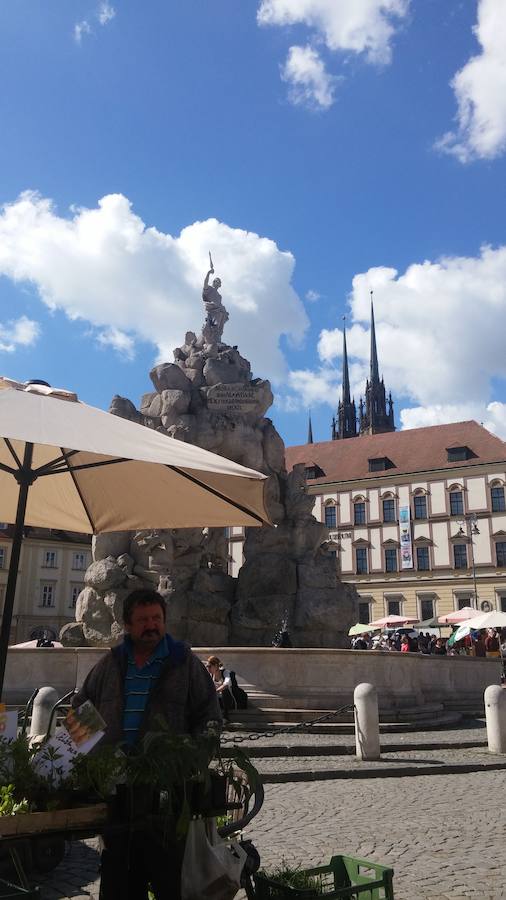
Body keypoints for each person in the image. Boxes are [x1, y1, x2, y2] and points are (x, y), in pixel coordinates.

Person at [73, 588, 221, 900]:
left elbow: (209, 716)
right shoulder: (111, 664)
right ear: (127, 625)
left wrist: (190, 762)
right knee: (118, 883)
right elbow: (78, 712)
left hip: (166, 795)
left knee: (170, 882)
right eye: (142, 620)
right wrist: (92, 763)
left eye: (156, 618)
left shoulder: (184, 663)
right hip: (117, 794)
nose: (151, 625)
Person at [206, 655, 234, 721]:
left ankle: (225, 716)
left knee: (225, 690)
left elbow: (226, 684)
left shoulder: (225, 672)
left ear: (216, 666)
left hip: (228, 701)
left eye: (209, 666)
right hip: (217, 701)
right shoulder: (210, 675)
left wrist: (216, 691)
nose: (208, 669)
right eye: (207, 667)